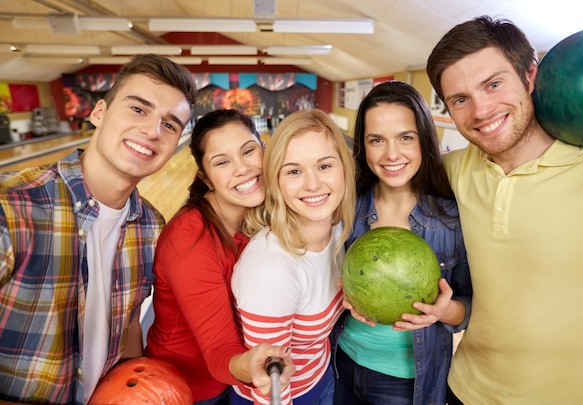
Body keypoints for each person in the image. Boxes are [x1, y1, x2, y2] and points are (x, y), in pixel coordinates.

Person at [426, 16, 583, 405]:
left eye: (494, 84)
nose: (481, 111)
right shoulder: (452, 172)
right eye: (460, 99)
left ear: (530, 76)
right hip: (464, 390)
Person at [0, 54, 197, 404]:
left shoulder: (150, 226)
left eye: (170, 125)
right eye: (139, 109)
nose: (153, 130)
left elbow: (130, 325)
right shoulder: (11, 208)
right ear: (99, 113)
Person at [331, 81, 472, 405]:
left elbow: (471, 307)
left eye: (405, 138)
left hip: (408, 383)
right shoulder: (347, 208)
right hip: (340, 363)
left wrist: (442, 310)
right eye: (376, 140)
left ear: (424, 139)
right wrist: (343, 296)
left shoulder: (451, 219)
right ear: (363, 146)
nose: (391, 154)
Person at [144, 109, 294, 404]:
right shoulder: (191, 238)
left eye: (248, 150)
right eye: (222, 162)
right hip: (189, 390)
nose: (242, 168)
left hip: (229, 385)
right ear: (206, 178)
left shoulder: (258, 216)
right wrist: (251, 365)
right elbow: (218, 351)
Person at [230, 109, 356, 404]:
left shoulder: (338, 229)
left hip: (322, 375)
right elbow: (269, 382)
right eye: (294, 171)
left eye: (324, 166)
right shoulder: (271, 268)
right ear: (276, 182)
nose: (312, 184)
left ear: (344, 169)